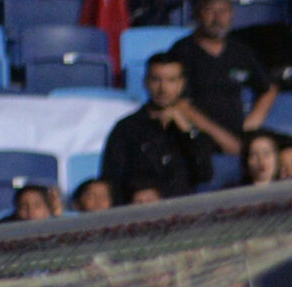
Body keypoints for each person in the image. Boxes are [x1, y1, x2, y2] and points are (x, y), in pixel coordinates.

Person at [103, 55, 233, 202]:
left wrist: (186, 130)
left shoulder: (194, 129)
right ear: (145, 82)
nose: (163, 89)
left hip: (184, 209)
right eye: (156, 80)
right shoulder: (126, 128)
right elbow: (111, 181)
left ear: (181, 84)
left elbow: (204, 174)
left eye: (171, 80)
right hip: (139, 209)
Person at [172, 0, 278, 140]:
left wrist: (251, 125)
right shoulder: (182, 51)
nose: (217, 18)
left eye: (223, 11)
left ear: (232, 13)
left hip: (236, 134)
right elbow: (179, 103)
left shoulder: (240, 51)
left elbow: (268, 89)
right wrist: (224, 139)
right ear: (196, 13)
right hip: (196, 137)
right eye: (209, 10)